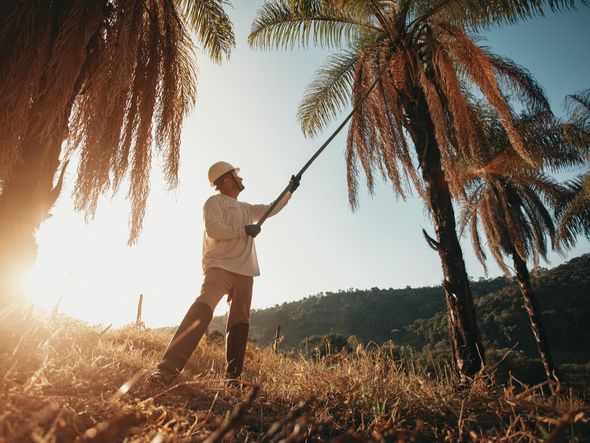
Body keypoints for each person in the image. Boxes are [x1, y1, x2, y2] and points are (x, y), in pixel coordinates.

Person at [152, 161, 299, 384]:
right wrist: (244, 230)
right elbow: (214, 229)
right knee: (203, 307)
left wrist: (289, 190)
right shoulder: (214, 202)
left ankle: (233, 379)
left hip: (245, 272)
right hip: (219, 267)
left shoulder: (247, 208)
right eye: (237, 176)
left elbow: (272, 208)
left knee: (240, 322)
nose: (241, 180)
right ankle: (167, 369)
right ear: (227, 180)